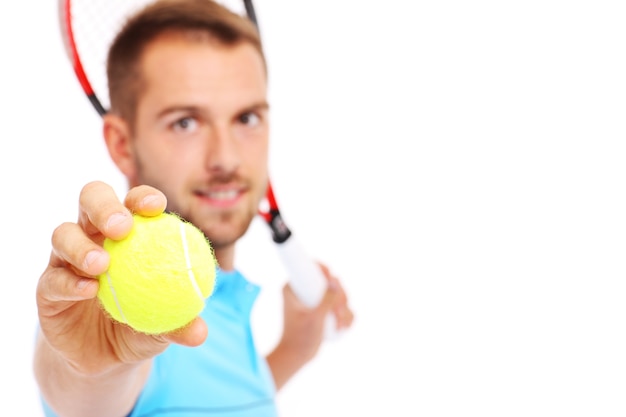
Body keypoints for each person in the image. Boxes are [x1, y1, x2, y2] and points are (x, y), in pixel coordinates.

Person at [33, 0, 354, 416]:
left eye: (246, 118)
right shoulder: (111, 317)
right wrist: (89, 369)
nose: (227, 157)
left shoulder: (216, 303)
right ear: (122, 145)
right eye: (185, 122)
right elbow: (88, 387)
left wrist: (292, 351)